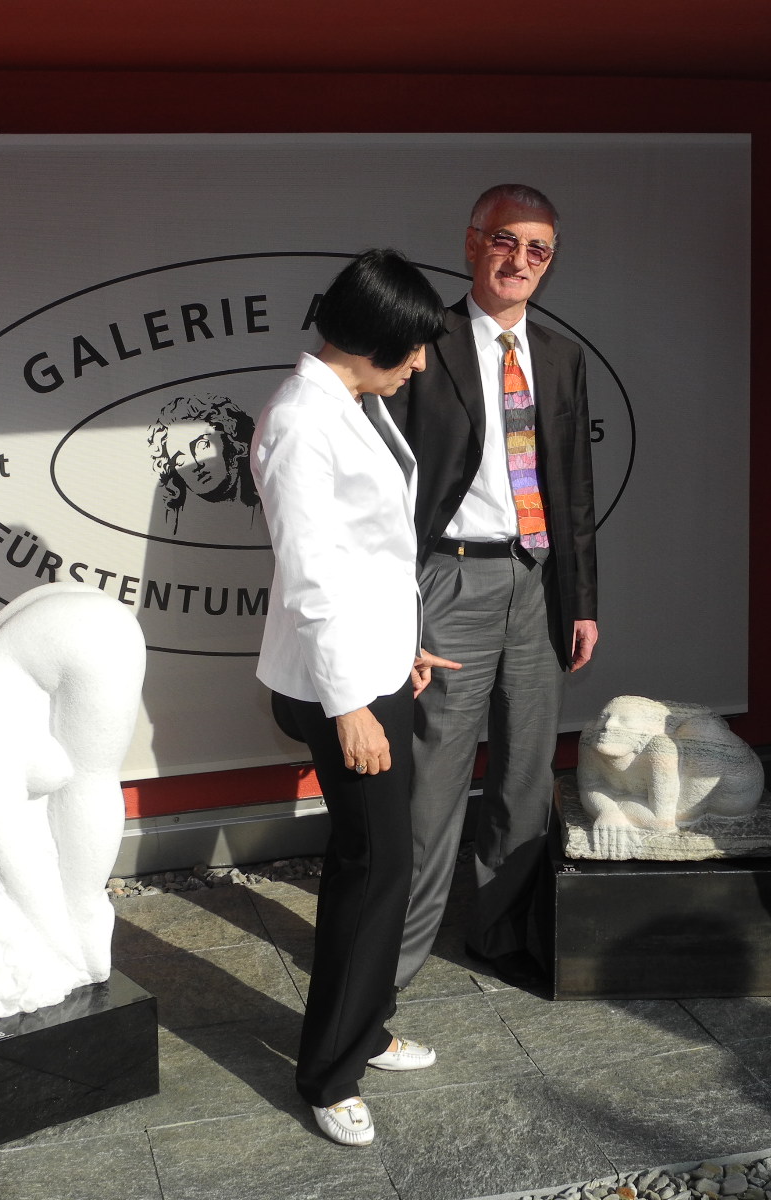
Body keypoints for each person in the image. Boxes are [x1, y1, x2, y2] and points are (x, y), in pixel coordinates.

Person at [252, 249, 458, 1146]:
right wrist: (348, 704)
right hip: (338, 687)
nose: (420, 365)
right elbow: (310, 578)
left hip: (374, 668)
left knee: (386, 862)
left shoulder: (352, 404)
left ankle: (364, 1029)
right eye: (411, 348)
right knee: (370, 870)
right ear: (372, 339)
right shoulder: (302, 421)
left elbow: (371, 553)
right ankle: (330, 1073)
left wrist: (400, 647)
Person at [386, 184, 598, 990]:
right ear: (473, 242)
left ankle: (501, 933)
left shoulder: (562, 356)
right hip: (451, 579)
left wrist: (582, 601)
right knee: (432, 780)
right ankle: (392, 963)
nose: (520, 260)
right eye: (506, 240)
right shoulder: (422, 345)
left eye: (538, 249)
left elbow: (574, 489)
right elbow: (386, 487)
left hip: (538, 585)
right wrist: (399, 606)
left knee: (525, 775)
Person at [147, 392, 260, 535]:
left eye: (202, 444)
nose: (196, 464)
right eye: (179, 459)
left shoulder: (267, 506)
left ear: (233, 442)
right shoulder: (170, 526)